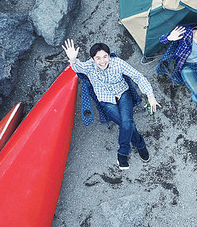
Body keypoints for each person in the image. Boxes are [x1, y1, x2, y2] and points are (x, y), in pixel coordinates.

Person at [62, 40, 160, 170]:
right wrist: (73, 59)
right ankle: (140, 145)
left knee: (126, 122)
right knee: (128, 123)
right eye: (98, 58)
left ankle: (123, 153)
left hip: (123, 93)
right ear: (93, 59)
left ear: (109, 56)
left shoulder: (117, 63)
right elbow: (78, 68)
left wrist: (150, 95)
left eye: (105, 57)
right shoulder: (89, 66)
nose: (102, 61)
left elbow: (138, 76)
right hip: (106, 99)